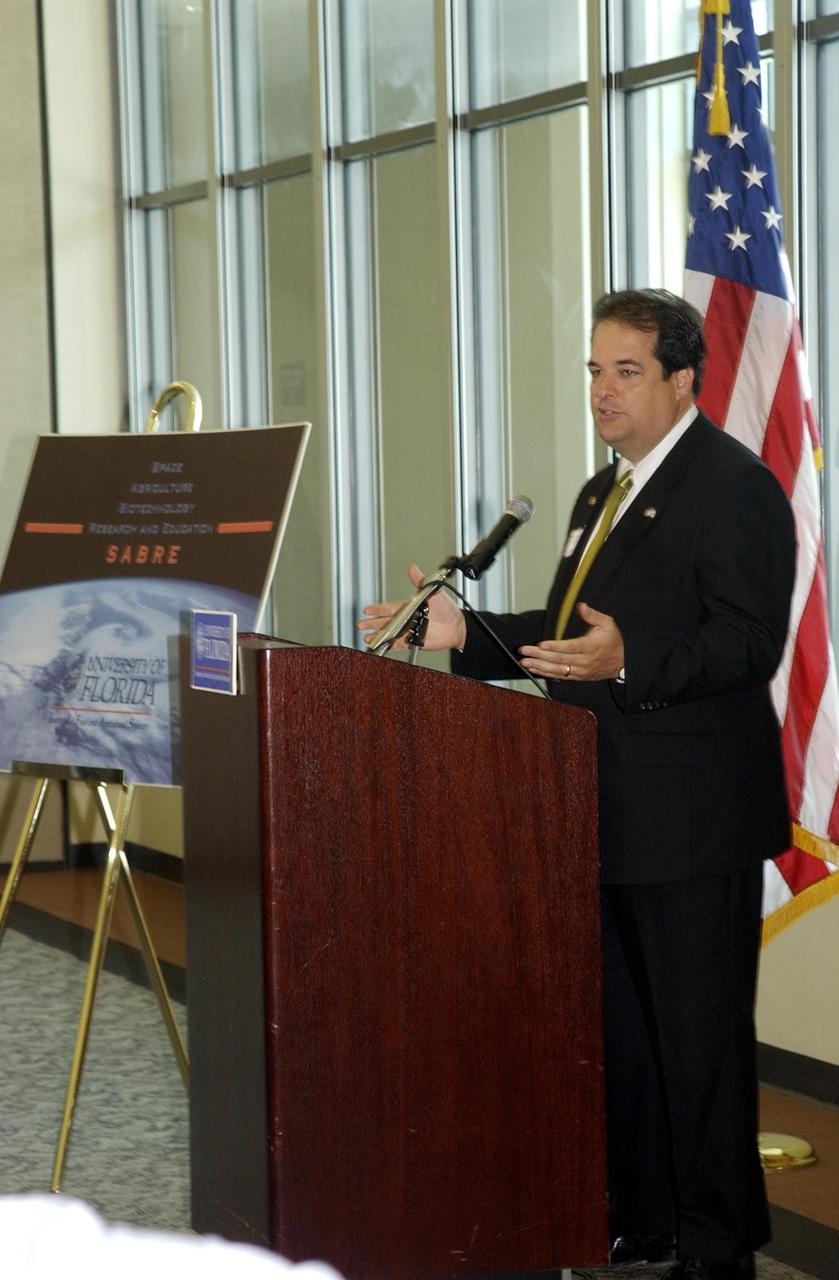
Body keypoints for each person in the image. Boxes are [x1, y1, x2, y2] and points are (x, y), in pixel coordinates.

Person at [358, 289, 796, 1280]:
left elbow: (743, 640)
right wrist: (466, 632)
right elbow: (568, 632)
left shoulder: (732, 486)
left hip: (690, 820)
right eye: (592, 369)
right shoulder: (603, 493)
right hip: (592, 810)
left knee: (697, 1048)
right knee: (626, 1041)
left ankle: (716, 1246)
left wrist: (626, 662)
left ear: (681, 379)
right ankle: (639, 1218)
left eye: (624, 370)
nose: (600, 390)